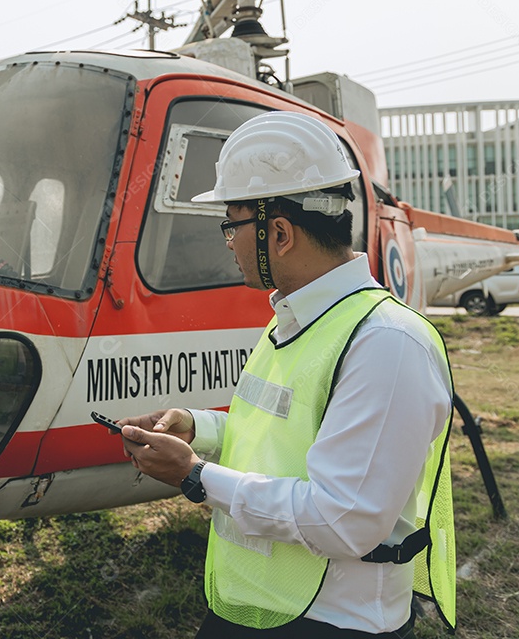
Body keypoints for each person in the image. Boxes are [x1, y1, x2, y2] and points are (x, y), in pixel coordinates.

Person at [117, 112, 455, 638]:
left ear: (278, 232)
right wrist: (195, 427)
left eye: (231, 224)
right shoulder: (295, 320)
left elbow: (343, 519)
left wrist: (195, 475)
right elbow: (282, 435)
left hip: (334, 622)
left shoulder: (387, 344)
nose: (227, 241)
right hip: (258, 605)